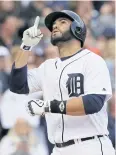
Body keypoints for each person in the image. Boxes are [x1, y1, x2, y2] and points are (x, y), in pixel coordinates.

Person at [9, 10, 115, 155]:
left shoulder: (92, 60)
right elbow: (17, 85)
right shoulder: (47, 67)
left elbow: (93, 102)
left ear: (77, 29)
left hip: (91, 145)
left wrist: (48, 106)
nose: (55, 26)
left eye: (62, 22)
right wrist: (25, 46)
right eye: (53, 24)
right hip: (58, 149)